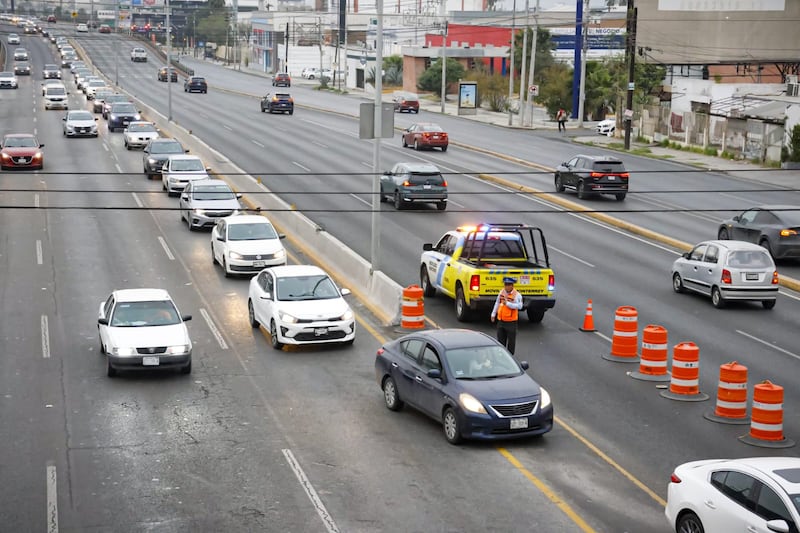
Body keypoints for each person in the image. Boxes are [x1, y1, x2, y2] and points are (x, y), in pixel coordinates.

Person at [490, 277, 524, 355]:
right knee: (500, 341)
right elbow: (497, 303)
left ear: (512, 286)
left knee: (511, 342)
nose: (506, 287)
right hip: (501, 321)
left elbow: (520, 306)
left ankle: (510, 357)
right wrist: (493, 314)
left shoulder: (517, 295)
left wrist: (508, 304)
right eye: (505, 285)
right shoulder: (502, 292)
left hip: (511, 322)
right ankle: (501, 355)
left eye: (508, 285)